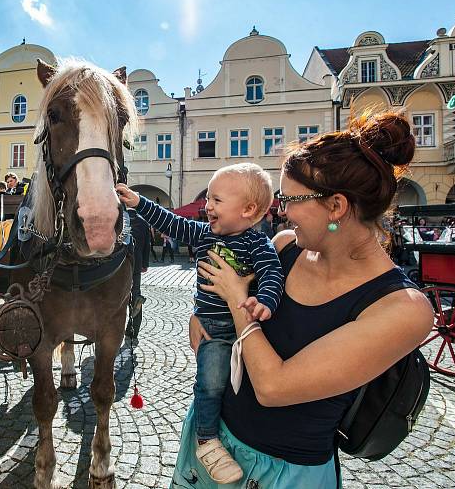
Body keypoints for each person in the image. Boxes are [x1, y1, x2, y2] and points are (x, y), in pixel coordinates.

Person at [170, 110, 433, 488]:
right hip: (213, 441)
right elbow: (213, 329)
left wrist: (235, 300)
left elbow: (275, 387)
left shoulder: (402, 308)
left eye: (290, 198)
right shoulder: (285, 248)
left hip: (284, 472)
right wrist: (203, 319)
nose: (281, 210)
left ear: (335, 207)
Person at [117, 162, 284, 485]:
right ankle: (206, 440)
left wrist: (265, 302)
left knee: (241, 391)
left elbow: (272, 275)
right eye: (208, 198)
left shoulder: (257, 244)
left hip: (245, 330)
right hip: (212, 330)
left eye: (217, 200)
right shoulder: (205, 233)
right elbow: (172, 223)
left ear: (249, 210)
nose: (207, 206)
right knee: (209, 386)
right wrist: (139, 203)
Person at [125, 208, 151, 340]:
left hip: (119, 262)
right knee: (135, 293)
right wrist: (145, 264)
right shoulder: (143, 223)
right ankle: (134, 329)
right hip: (136, 262)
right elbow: (148, 245)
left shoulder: (121, 218)